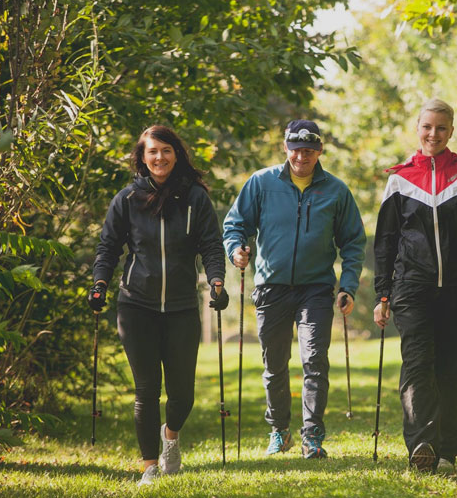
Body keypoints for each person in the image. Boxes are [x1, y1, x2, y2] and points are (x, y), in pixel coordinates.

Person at [372, 98, 457, 473]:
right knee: (418, 366)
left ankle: (447, 448)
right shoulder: (399, 180)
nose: (434, 134)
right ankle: (422, 445)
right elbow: (385, 242)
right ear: (418, 129)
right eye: (427, 127)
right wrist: (383, 294)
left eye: (441, 128)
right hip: (413, 288)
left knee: (456, 370)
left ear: (451, 131)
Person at [88, 125, 228, 486]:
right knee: (146, 390)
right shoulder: (127, 199)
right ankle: (149, 466)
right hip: (136, 306)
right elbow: (108, 247)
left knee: (182, 394)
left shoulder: (195, 198)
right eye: (153, 151)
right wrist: (100, 283)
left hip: (181, 306)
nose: (159, 157)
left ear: (176, 155)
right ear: (142, 156)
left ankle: (171, 434)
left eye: (166, 150)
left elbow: (211, 245)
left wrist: (217, 281)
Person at [223, 119, 366, 459]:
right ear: (285, 148)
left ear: (319, 152)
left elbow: (353, 242)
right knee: (275, 365)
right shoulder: (261, 183)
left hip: (316, 288)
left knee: (314, 360)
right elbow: (235, 225)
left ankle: (312, 435)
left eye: (309, 151)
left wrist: (347, 286)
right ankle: (279, 431)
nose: (301, 157)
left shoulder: (336, 190)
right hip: (271, 287)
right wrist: (236, 249)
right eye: (296, 149)